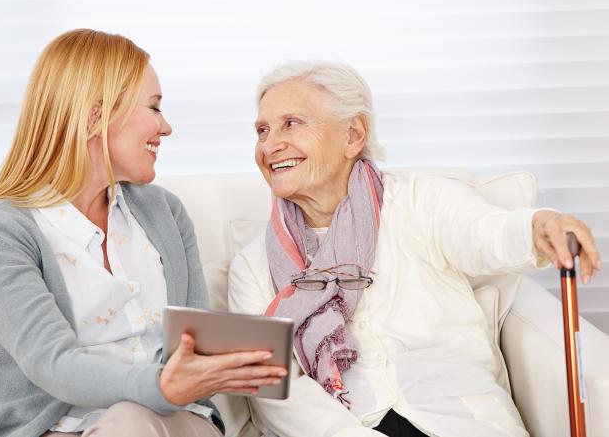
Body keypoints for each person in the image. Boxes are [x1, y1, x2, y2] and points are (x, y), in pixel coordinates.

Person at [227, 61, 602, 437]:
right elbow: (275, 392)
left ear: (353, 135)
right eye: (263, 130)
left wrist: (539, 226)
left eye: (292, 123)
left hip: (457, 419)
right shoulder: (253, 266)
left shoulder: (420, 200)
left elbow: (485, 232)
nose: (270, 145)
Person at [0, 29, 286, 437]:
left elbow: (195, 342)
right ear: (95, 117)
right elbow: (53, 364)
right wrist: (164, 386)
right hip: (58, 429)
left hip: (173, 423)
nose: (166, 128)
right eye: (153, 107)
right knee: (130, 423)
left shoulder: (164, 212)